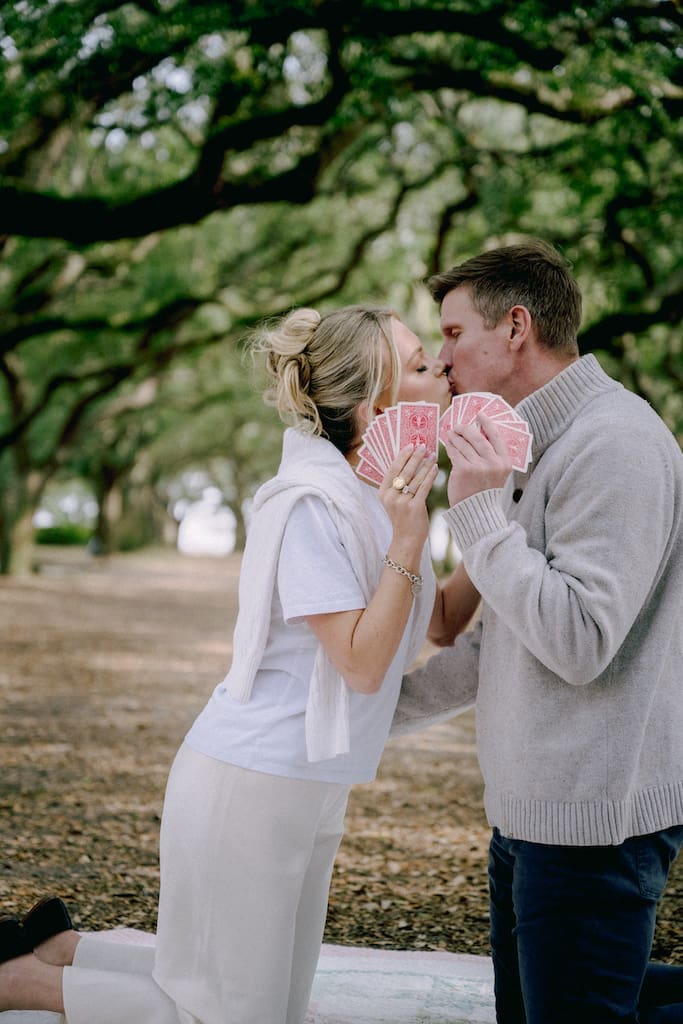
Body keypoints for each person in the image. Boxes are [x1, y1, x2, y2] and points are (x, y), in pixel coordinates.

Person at [0, 304, 480, 1023]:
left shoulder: (378, 497)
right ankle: (20, 983)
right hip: (252, 782)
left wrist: (491, 517)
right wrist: (409, 540)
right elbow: (360, 665)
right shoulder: (311, 507)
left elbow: (437, 620)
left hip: (314, 782)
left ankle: (65, 946)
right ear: (374, 407)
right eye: (418, 364)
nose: (440, 367)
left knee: (267, 1006)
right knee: (220, 1014)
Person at [392, 238, 683, 1023]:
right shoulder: (526, 446)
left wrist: (480, 515)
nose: (443, 362)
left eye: (452, 336)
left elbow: (581, 642)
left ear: (514, 327)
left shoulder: (614, 443)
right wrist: (365, 714)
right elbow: (501, 643)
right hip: (525, 818)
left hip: (594, 827)